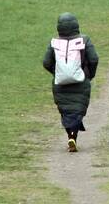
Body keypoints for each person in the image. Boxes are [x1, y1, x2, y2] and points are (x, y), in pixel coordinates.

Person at [42, 12, 99, 152]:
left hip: (60, 83)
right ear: (76, 25)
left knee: (66, 111)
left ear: (59, 27)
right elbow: (93, 59)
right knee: (77, 110)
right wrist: (89, 75)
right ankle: (73, 136)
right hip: (81, 82)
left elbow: (46, 62)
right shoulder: (84, 40)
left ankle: (71, 136)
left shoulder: (54, 42)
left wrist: (57, 73)